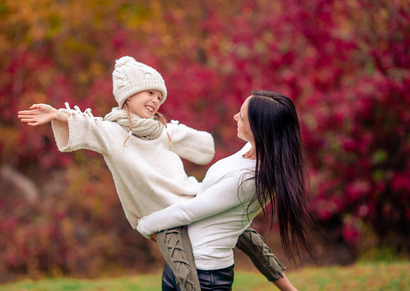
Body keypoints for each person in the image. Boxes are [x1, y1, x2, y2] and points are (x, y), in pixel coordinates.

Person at [18, 57, 291, 291]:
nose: (155, 100)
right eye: (149, 93)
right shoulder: (113, 133)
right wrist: (58, 115)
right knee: (189, 265)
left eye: (159, 96)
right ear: (128, 95)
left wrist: (205, 146)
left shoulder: (161, 131)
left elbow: (194, 143)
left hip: (188, 201)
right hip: (166, 214)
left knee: (244, 234)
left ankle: (286, 285)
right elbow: (91, 126)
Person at [137, 91, 318, 290]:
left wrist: (145, 226)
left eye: (241, 117)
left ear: (259, 129)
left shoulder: (249, 180)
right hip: (180, 262)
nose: (235, 117)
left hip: (205, 276)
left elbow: (189, 212)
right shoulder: (251, 150)